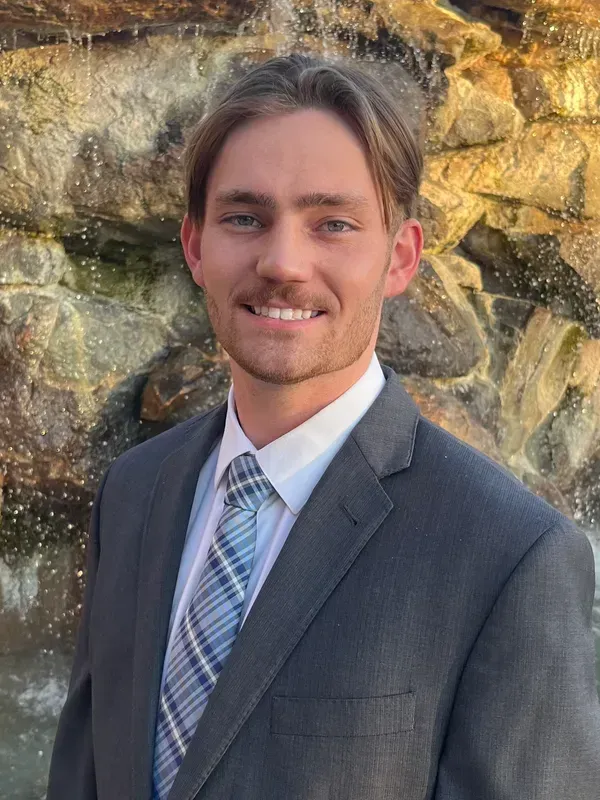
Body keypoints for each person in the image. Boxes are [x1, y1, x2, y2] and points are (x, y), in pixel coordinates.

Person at [47, 53, 600, 800]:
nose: (283, 262)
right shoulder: (134, 491)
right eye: (245, 217)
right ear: (195, 245)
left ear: (400, 257)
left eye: (332, 224)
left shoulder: (512, 557)